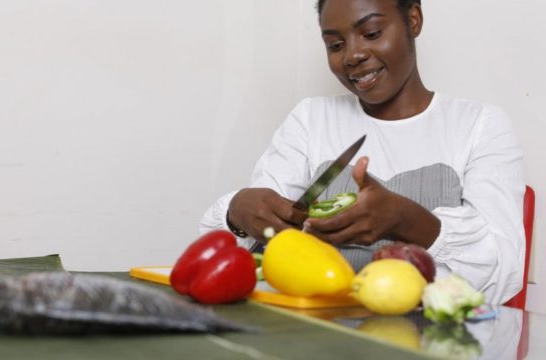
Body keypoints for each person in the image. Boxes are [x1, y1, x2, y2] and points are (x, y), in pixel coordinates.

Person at [199, 0, 525, 304]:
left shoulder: (480, 125)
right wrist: (238, 211)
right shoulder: (311, 118)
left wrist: (407, 221)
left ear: (413, 19)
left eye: (371, 33)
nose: (352, 56)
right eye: (335, 45)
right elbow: (253, 252)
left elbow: (504, 275)